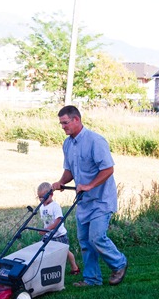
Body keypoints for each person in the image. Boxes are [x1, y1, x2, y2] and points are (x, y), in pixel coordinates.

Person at [51, 105, 128, 287]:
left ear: (76, 119)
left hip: (101, 199)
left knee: (97, 237)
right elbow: (70, 169)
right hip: (84, 201)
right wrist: (60, 182)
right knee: (85, 241)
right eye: (61, 123)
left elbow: (108, 169)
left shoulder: (95, 141)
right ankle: (92, 279)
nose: (63, 127)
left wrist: (90, 185)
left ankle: (119, 263)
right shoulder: (68, 144)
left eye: (65, 123)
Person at [37, 182, 80, 275]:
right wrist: (45, 229)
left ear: (51, 195)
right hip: (48, 234)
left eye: (43, 197)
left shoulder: (55, 206)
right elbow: (46, 221)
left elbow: (58, 221)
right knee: (45, 251)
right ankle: (48, 270)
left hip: (59, 235)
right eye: (39, 197)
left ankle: (75, 268)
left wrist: (47, 229)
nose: (41, 199)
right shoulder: (42, 207)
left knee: (66, 252)